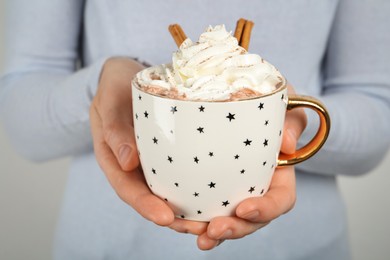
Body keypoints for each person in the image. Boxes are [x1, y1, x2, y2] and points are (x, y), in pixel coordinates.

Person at [1, 0, 389, 259]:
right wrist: (101, 89)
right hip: (105, 249)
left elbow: (376, 107)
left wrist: (282, 128)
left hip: (303, 249)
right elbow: (21, 115)